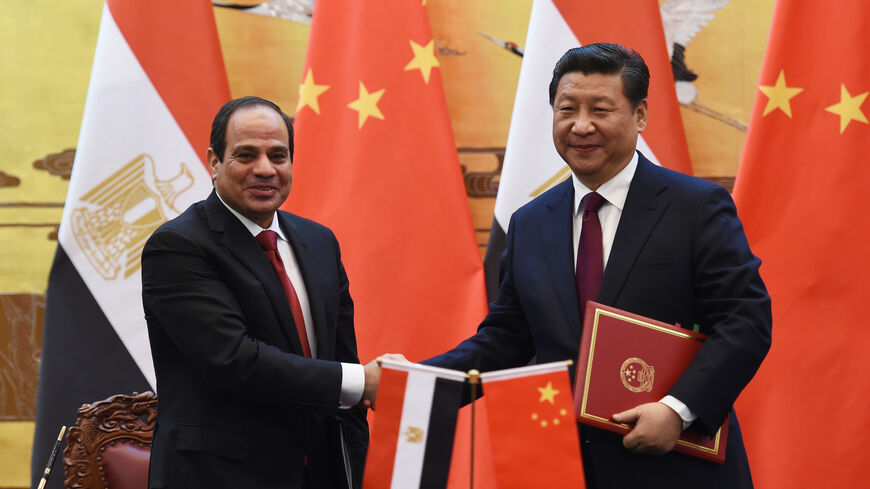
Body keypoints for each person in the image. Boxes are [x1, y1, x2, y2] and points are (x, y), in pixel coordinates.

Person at [424, 44, 772, 488]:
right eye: (567, 108)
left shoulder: (696, 207)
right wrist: (417, 380)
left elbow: (746, 322)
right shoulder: (529, 223)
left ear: (640, 115)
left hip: (676, 464)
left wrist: (678, 409)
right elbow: (506, 338)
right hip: (567, 469)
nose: (581, 125)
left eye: (601, 109)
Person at [141, 96, 380, 489]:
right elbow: (233, 360)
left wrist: (353, 465)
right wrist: (358, 381)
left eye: (278, 155)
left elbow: (339, 357)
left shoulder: (319, 242)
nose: (265, 169)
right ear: (214, 162)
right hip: (222, 477)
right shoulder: (178, 246)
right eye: (246, 155)